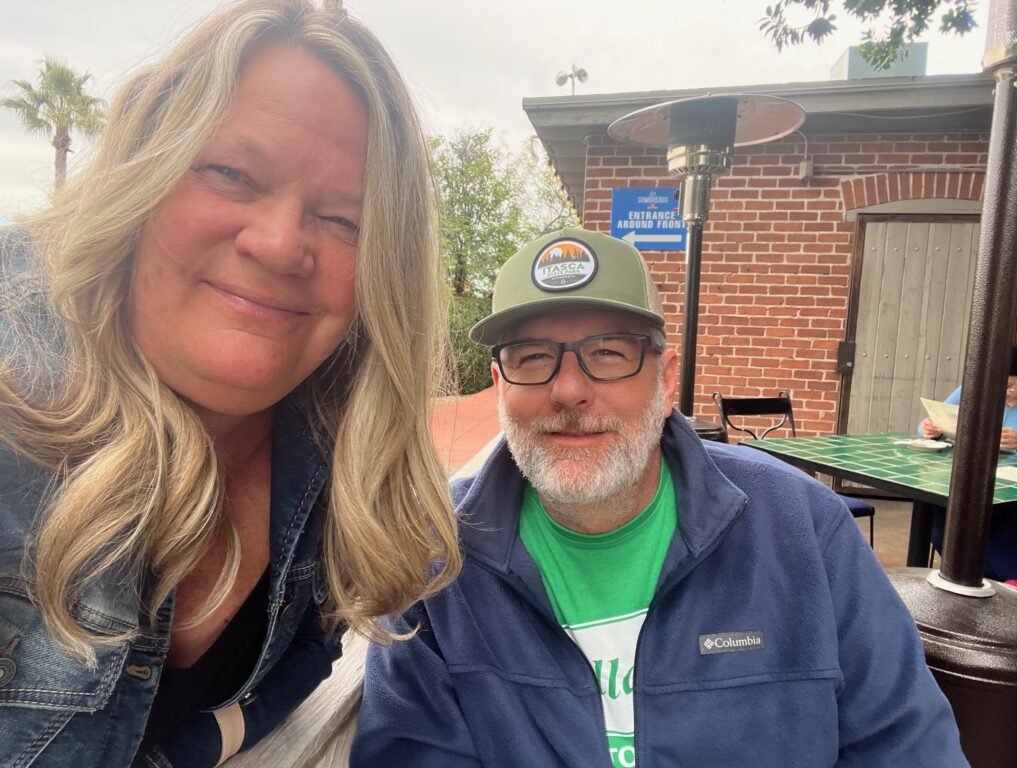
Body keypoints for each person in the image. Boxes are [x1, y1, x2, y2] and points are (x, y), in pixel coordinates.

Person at [0, 1, 460, 765]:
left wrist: (193, 745)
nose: (281, 244)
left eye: (344, 219)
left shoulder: (345, 477)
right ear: (141, 179)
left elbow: (302, 656)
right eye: (231, 173)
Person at [351, 227, 968, 767]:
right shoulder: (436, 563)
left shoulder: (803, 530)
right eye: (534, 357)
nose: (568, 390)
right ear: (499, 387)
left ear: (665, 379)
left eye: (607, 354)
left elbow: (905, 745)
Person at [919, 346, 1017, 581]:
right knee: (944, 520)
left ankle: (995, 578)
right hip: (972, 478)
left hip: (1013, 494)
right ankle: (966, 572)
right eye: (999, 386)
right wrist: (931, 430)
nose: (1004, 392)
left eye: (1010, 386)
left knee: (1002, 534)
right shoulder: (975, 389)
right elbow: (934, 418)